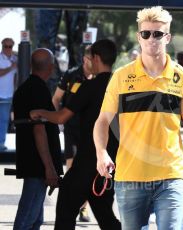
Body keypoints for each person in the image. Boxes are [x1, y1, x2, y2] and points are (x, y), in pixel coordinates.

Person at [93, 6, 183, 230]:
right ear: (139, 37)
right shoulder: (121, 77)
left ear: (168, 38)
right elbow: (102, 121)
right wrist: (101, 152)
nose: (151, 39)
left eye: (158, 34)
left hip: (170, 176)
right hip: (130, 177)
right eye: (146, 34)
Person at [30, 39, 121, 229]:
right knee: (105, 216)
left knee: (65, 210)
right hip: (111, 164)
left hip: (87, 162)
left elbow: (62, 117)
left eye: (89, 58)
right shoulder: (120, 87)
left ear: (96, 58)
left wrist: (40, 112)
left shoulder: (90, 86)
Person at [12, 48, 63, 230]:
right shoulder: (38, 90)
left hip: (32, 161)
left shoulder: (24, 89)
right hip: (38, 165)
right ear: (49, 67)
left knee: (34, 219)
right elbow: (39, 130)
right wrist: (49, 167)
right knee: (27, 217)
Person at [51, 45, 93, 222]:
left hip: (92, 131)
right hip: (72, 129)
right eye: (93, 59)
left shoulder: (101, 77)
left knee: (90, 171)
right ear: (85, 59)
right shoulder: (71, 75)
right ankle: (72, 205)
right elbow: (56, 99)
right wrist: (55, 124)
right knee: (73, 168)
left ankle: (84, 208)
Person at [0, 38, 17, 151]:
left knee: (4, 120)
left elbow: (15, 77)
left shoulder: (15, 59)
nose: (7, 49)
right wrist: (11, 67)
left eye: (10, 46)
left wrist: (15, 88)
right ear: (2, 46)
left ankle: (1, 143)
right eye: (5, 46)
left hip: (8, 94)